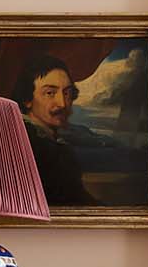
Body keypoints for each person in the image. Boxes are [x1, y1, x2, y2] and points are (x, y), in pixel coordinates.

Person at [11, 54, 98, 206]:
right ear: (27, 99)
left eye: (67, 93)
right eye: (50, 93)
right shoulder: (29, 146)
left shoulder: (53, 145)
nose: (62, 103)